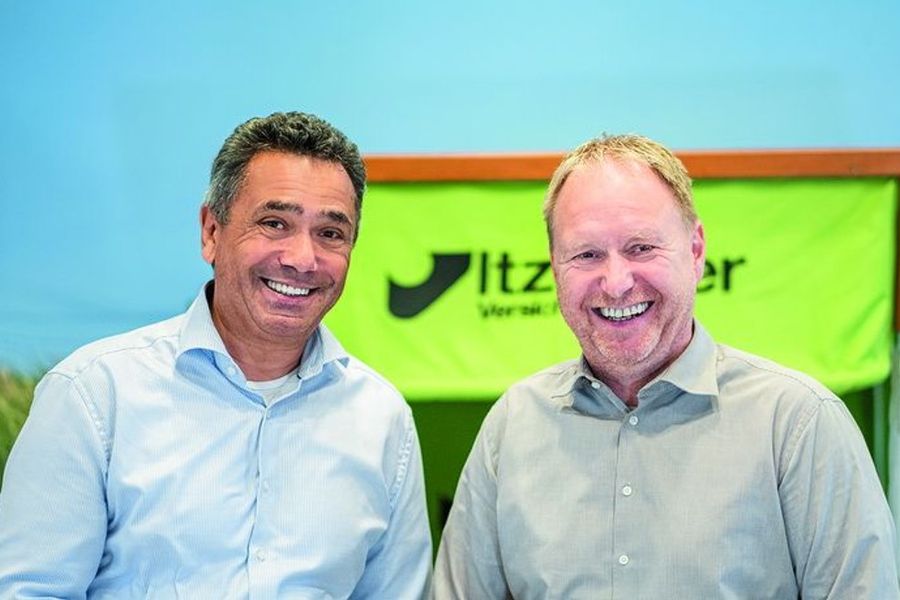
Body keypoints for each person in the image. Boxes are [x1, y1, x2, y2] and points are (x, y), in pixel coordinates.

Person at [432, 134, 899, 598]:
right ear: (556, 268)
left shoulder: (798, 424)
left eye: (641, 248)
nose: (616, 283)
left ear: (695, 251)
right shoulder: (512, 427)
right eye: (587, 254)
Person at [0, 112, 432, 598]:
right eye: (275, 223)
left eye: (330, 233)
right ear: (211, 231)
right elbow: (29, 590)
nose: (302, 259)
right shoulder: (95, 394)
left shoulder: (382, 419)